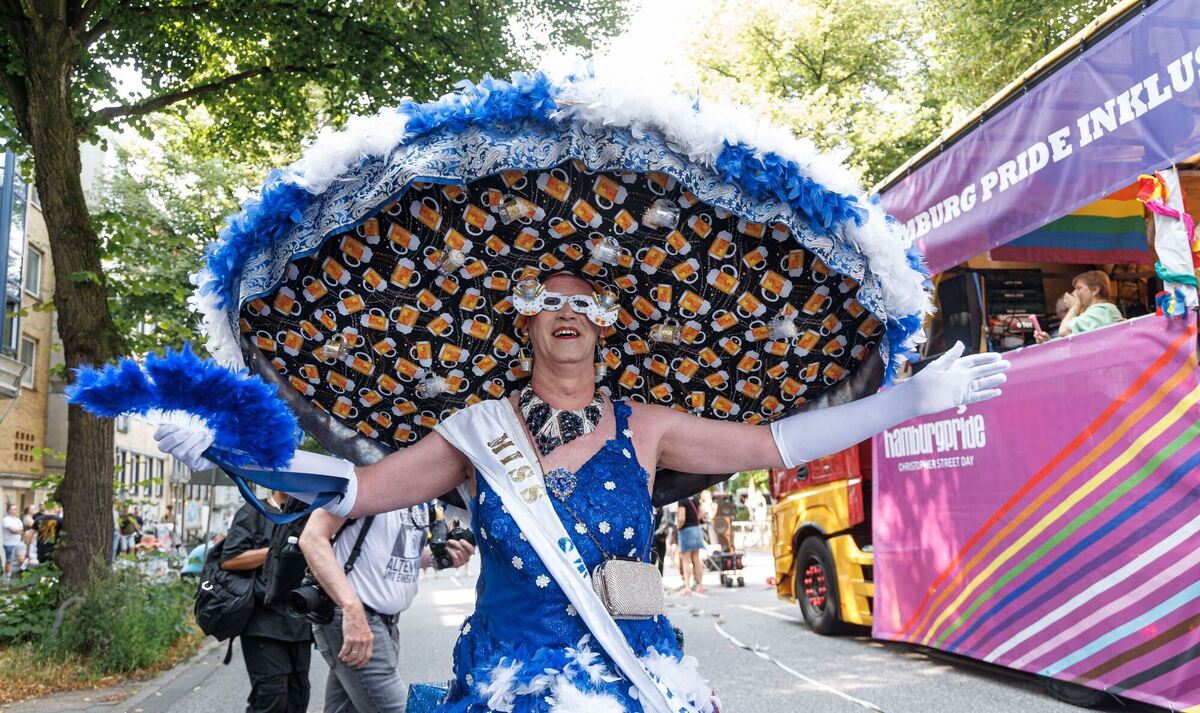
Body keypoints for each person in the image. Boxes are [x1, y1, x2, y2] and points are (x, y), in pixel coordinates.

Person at [159, 272, 1008, 712]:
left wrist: (906, 401)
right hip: (511, 682)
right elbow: (357, 485)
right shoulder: (476, 430)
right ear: (523, 323)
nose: (565, 310)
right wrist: (231, 448)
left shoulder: (650, 426)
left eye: (582, 300)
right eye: (546, 300)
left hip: (636, 675)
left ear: (606, 322)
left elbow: (774, 442)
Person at [299, 504, 475, 713]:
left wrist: (442, 558)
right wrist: (351, 608)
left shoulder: (418, 497)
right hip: (358, 617)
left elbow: (402, 555)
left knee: (344, 708)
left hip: (385, 622)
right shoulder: (365, 478)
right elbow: (311, 538)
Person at [221, 490, 313, 713]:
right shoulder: (254, 511)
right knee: (271, 698)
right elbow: (230, 559)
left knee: (297, 698)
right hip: (263, 621)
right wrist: (276, 550)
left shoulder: (308, 515)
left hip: (299, 622)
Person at [1035, 270, 1123, 342]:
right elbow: (1069, 341)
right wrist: (1047, 341)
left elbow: (1064, 331)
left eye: (1079, 288)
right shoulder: (1093, 313)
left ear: (1095, 290)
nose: (1074, 293)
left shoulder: (1102, 311)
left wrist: (1074, 308)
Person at [676, 496, 705, 595]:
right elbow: (701, 514)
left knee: (686, 560)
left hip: (686, 531)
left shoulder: (682, 500)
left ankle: (687, 587)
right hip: (697, 529)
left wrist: (678, 528)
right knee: (696, 558)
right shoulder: (696, 498)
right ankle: (700, 585)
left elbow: (681, 518)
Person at [3, 504, 23, 578]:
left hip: (18, 543)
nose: (15, 511)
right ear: (9, 510)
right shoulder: (6, 519)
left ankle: (13, 575)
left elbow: (21, 531)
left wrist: (16, 531)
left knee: (18, 561)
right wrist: (17, 531)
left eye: (16, 509)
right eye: (13, 509)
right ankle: (8, 577)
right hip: (9, 544)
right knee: (9, 560)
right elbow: (12, 530)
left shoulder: (18, 520)